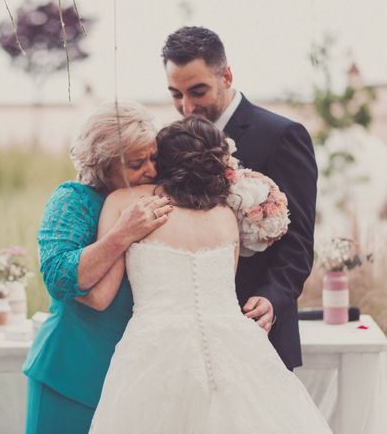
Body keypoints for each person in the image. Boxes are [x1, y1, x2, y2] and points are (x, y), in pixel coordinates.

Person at [88, 116, 331, 433]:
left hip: (154, 351)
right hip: (236, 348)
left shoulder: (126, 202)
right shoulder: (227, 216)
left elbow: (99, 293)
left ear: (163, 161)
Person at [161, 26, 318, 370]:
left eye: (197, 91)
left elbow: (299, 242)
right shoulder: (169, 145)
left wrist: (272, 298)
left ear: (227, 75)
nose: (186, 107)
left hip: (257, 329)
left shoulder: (282, 136)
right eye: (176, 94)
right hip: (188, 336)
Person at [23, 101, 174, 434]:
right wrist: (122, 233)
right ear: (103, 164)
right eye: (137, 163)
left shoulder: (154, 200)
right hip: (70, 369)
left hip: (133, 371)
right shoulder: (71, 199)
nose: (150, 170)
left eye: (154, 159)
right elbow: (60, 277)